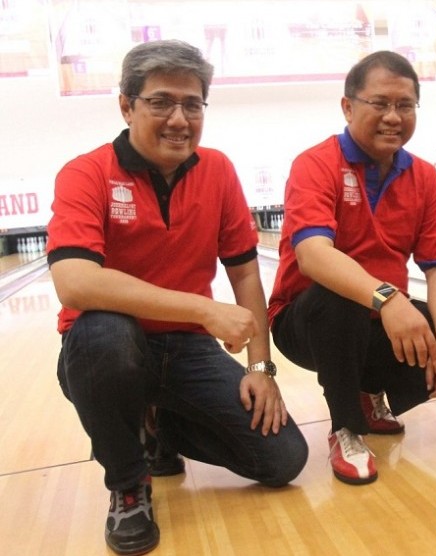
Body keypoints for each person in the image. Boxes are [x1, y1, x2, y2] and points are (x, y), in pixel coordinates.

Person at [47, 40, 308, 555]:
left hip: (185, 352)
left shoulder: (217, 171)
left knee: (282, 460)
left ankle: (158, 423)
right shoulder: (86, 173)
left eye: (192, 104)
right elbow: (75, 281)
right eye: (161, 102)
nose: (179, 119)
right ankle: (128, 482)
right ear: (126, 105)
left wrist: (262, 369)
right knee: (106, 335)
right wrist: (203, 309)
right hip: (106, 350)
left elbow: (246, 277)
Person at [268, 50, 436, 486]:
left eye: (405, 105)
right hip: (307, 321)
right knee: (340, 298)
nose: (394, 116)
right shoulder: (315, 164)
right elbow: (313, 255)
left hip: (377, 321)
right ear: (348, 107)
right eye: (380, 104)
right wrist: (388, 298)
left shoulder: (423, 177)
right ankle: (346, 425)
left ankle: (369, 391)